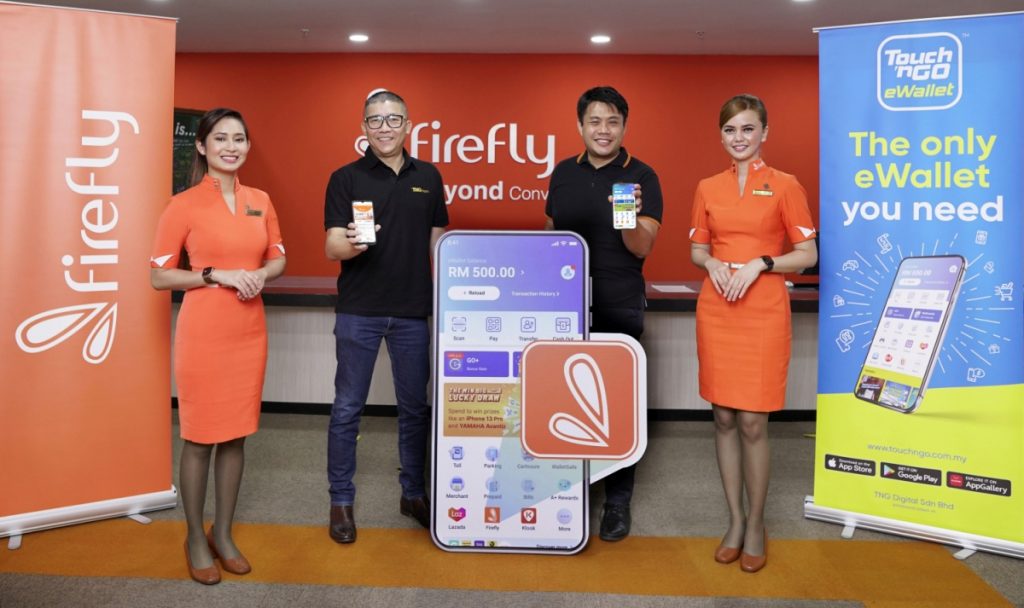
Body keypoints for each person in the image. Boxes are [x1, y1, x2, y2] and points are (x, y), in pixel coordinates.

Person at [150, 108, 287, 585]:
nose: (232, 147)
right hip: (204, 331)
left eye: (240, 139)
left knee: (235, 435)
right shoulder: (182, 204)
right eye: (221, 138)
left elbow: (278, 258)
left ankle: (222, 533)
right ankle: (194, 536)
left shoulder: (260, 200)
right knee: (200, 437)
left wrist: (259, 274)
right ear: (202, 146)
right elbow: (159, 276)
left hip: (249, 330)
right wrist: (214, 274)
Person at [689, 94, 817, 573]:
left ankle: (758, 523)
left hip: (762, 310)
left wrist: (762, 262)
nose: (738, 138)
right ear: (720, 135)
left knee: (752, 423)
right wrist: (713, 263)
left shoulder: (785, 185)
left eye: (747, 128)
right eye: (730, 130)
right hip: (717, 307)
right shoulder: (707, 187)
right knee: (723, 417)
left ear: (764, 132)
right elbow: (698, 249)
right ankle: (736, 520)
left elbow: (807, 254)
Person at [323, 89, 449, 544]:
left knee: (415, 410)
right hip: (360, 310)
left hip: (413, 312)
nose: (384, 127)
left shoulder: (429, 177)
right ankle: (341, 501)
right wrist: (353, 244)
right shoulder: (345, 178)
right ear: (364, 128)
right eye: (375, 120)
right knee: (347, 409)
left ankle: (413, 493)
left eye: (393, 119)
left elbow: (439, 245)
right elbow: (332, 246)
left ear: (408, 125)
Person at [545, 86, 663, 542]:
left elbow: (642, 247)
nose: (603, 130)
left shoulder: (642, 176)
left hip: (619, 302)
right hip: (566, 305)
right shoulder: (562, 173)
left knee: (616, 406)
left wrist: (627, 215)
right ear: (580, 126)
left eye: (613, 122)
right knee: (565, 401)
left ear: (624, 127)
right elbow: (551, 234)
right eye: (595, 121)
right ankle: (569, 490)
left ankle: (617, 502)